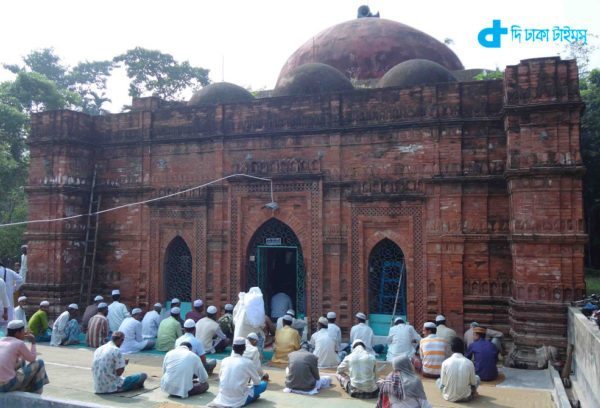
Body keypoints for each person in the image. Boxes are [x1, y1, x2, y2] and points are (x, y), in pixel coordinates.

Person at [208, 337, 268, 407]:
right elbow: (257, 382)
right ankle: (252, 397)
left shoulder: (225, 360)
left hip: (223, 396)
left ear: (233, 348)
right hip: (238, 399)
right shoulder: (248, 362)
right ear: (244, 348)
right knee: (263, 384)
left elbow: (221, 377)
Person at [0, 320, 49, 394]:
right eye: (23, 331)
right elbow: (32, 359)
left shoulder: (1, 340)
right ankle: (36, 393)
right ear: (17, 333)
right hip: (6, 385)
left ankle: (23, 386)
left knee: (22, 361)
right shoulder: (19, 343)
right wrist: (33, 342)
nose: (24, 333)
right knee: (40, 363)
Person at [437, 337, 479, 402]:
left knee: (438, 381)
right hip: (466, 397)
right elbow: (473, 383)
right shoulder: (469, 363)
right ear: (463, 348)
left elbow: (443, 383)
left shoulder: (445, 363)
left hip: (449, 397)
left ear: (451, 348)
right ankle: (473, 393)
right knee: (477, 378)